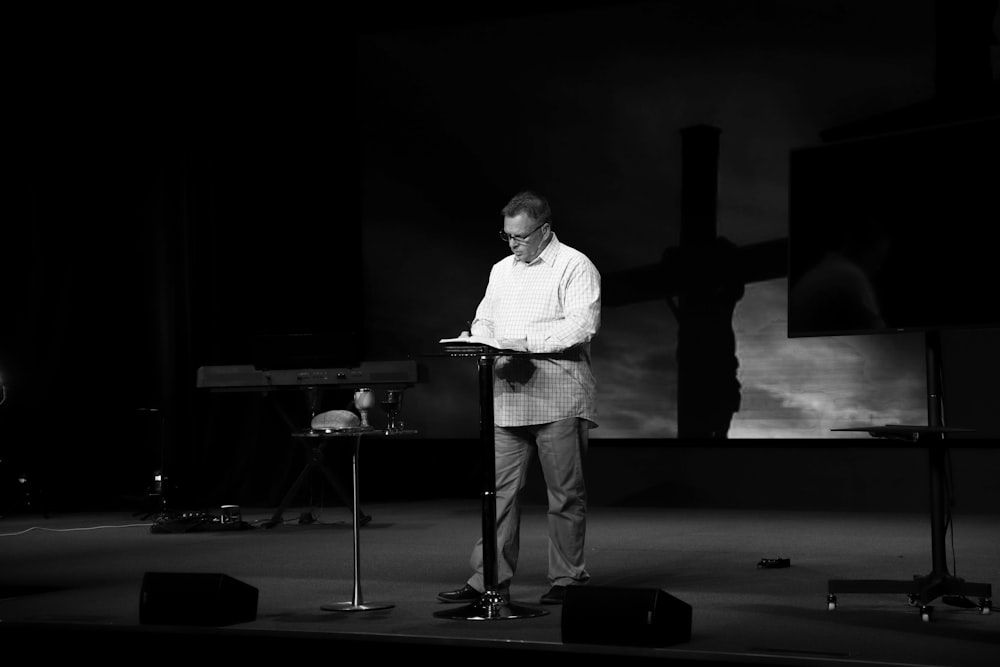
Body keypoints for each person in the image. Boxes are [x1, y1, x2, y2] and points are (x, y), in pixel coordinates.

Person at [437, 190, 601, 606]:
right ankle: (488, 578)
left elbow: (581, 326)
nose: (513, 244)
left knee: (565, 494)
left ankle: (567, 579)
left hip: (558, 396)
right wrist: (479, 339)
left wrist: (523, 343)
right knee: (498, 494)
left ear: (545, 231)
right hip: (507, 399)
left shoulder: (575, 265)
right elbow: (485, 316)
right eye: (507, 236)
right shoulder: (501, 270)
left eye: (521, 236)